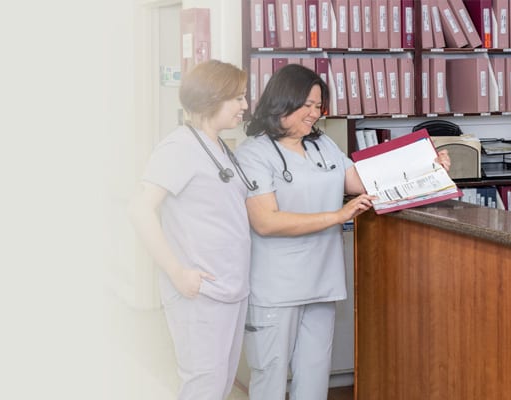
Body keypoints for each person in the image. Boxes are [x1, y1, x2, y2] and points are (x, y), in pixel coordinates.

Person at [234, 64, 447, 400]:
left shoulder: (323, 146)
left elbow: (363, 181)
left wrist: (427, 165)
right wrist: (338, 215)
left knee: (314, 381)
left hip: (322, 282)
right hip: (276, 289)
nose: (314, 114)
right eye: (306, 105)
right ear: (282, 101)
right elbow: (266, 221)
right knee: (270, 381)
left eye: (319, 106)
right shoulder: (253, 153)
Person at [129, 60, 255, 400]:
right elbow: (140, 210)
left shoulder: (218, 145)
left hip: (230, 286)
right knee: (203, 387)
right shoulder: (178, 148)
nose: (245, 106)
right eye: (238, 98)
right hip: (200, 290)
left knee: (220, 384)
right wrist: (177, 271)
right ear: (212, 99)